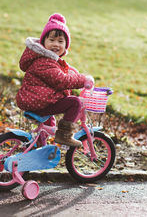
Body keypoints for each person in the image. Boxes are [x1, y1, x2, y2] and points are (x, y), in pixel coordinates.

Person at [16, 13, 94, 147]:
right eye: (51, 40)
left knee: (50, 122)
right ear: (43, 42)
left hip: (38, 101)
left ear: (65, 45)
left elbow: (58, 73)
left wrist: (71, 72)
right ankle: (64, 135)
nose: (55, 44)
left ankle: (40, 146)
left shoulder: (46, 59)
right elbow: (61, 81)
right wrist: (83, 80)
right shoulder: (44, 62)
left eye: (60, 41)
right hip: (38, 103)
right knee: (76, 102)